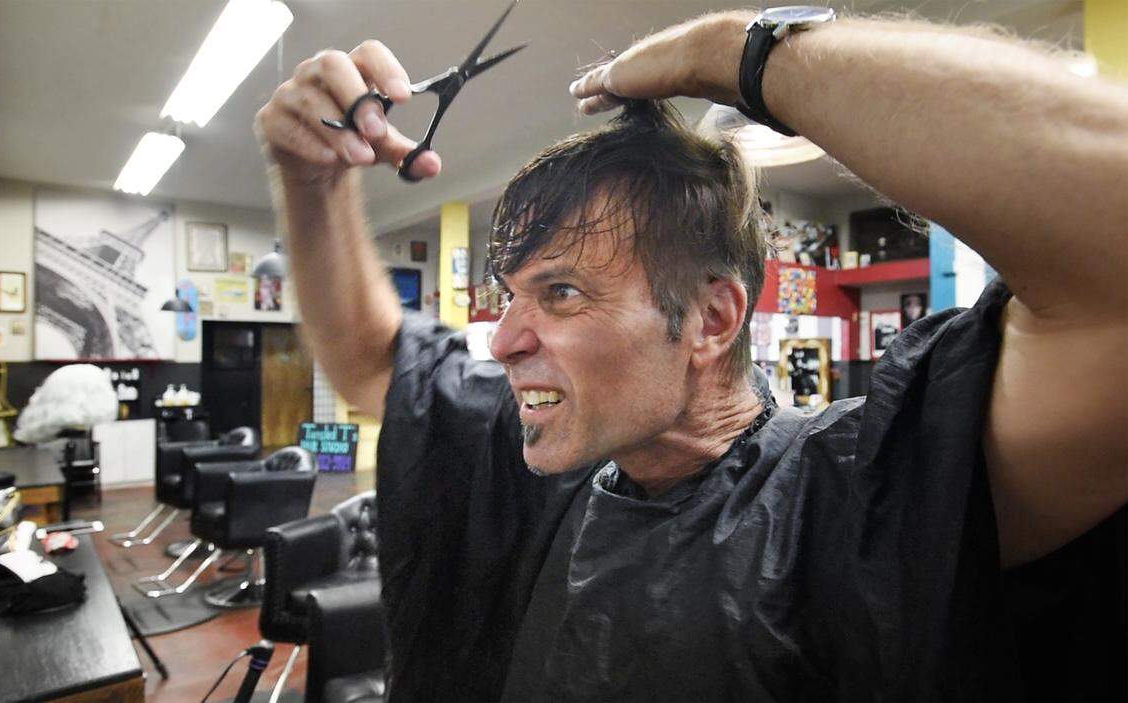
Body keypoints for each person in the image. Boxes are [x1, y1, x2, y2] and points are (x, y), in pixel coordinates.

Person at [256, 7, 1127, 701]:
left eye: (561, 293)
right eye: (511, 293)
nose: (506, 336)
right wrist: (312, 178)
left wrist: (743, 51)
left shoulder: (859, 494)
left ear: (711, 320)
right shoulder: (531, 452)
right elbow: (376, 360)